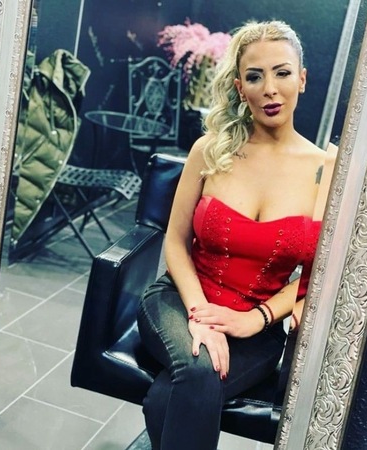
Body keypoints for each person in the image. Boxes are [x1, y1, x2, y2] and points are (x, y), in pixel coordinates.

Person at [137, 20, 336, 450]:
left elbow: (316, 278)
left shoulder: (326, 172)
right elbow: (175, 242)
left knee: (165, 399)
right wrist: (199, 316)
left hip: (258, 329)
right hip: (179, 300)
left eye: (282, 73)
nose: (270, 89)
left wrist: (255, 319)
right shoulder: (209, 149)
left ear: (302, 79)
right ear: (240, 87)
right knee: (199, 369)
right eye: (255, 76)